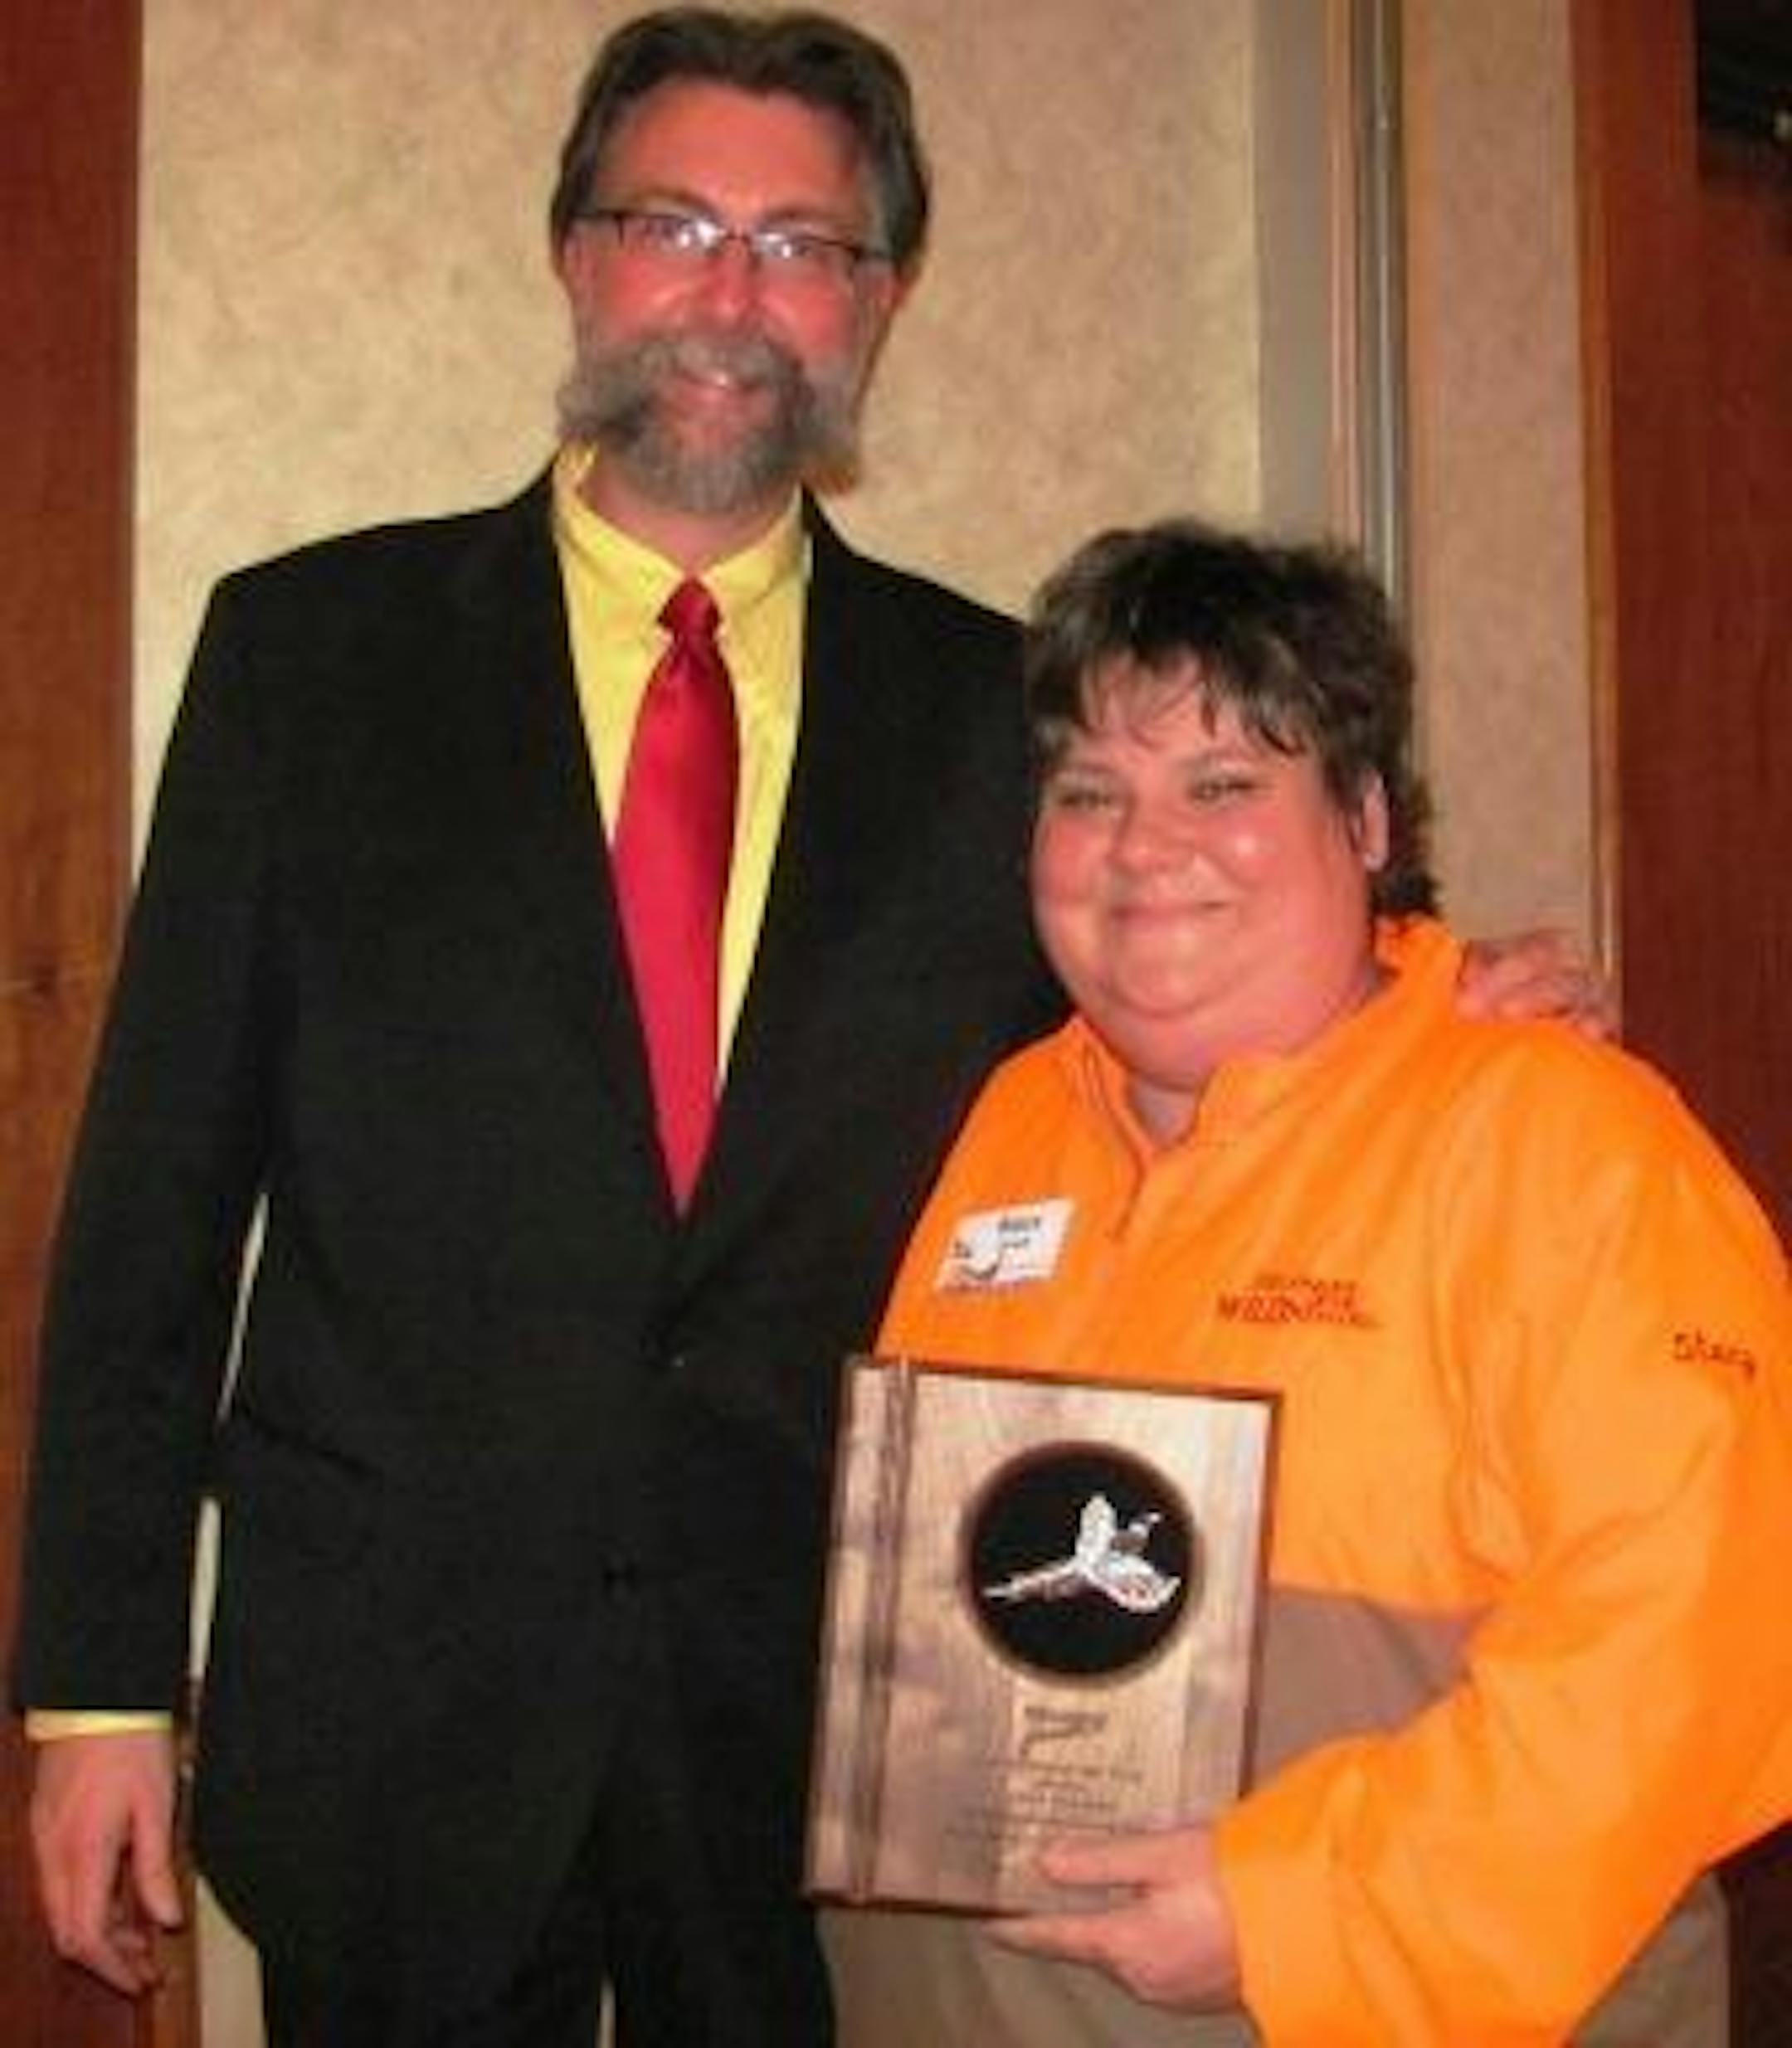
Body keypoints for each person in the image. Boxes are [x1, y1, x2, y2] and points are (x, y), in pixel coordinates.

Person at [12, 12, 1607, 2046]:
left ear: (880, 302)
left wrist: (1433, 1005)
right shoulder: (308, 658)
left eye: (801, 247)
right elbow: (153, 1208)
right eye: (674, 224)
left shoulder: (1000, 712)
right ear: (575, 250)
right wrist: (99, 1689)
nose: (731, 296)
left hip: (815, 1745)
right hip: (394, 1717)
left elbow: (1175, 1011)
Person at [824, 520, 1792, 2047]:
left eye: (1223, 785)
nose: (1145, 848)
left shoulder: (1566, 1142)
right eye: (1091, 793)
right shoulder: (1010, 1121)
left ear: (1364, 820)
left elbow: (1699, 1660)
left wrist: (1306, 1909)